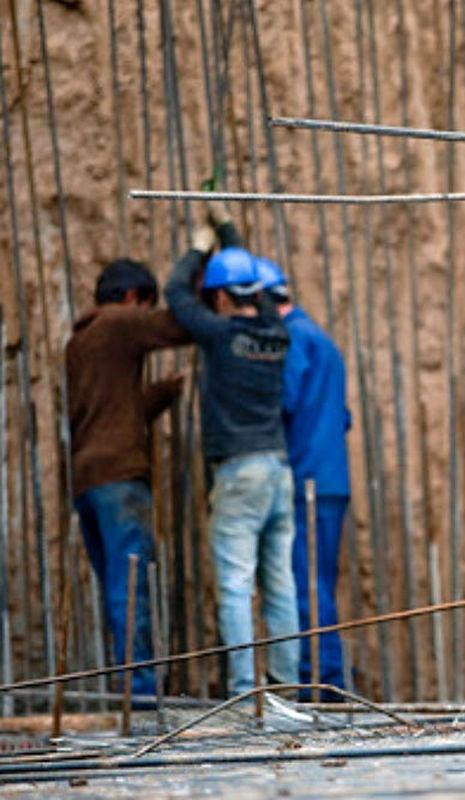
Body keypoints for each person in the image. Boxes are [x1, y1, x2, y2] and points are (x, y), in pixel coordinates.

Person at [165, 201, 299, 697]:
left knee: (236, 585)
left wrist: (201, 245)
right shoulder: (276, 332)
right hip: (278, 469)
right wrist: (228, 230)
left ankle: (246, 690)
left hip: (240, 472)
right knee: (280, 584)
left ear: (220, 296)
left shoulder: (221, 336)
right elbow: (253, 288)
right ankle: (284, 685)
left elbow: (176, 294)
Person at [67, 259, 190, 702]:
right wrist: (191, 276)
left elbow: (112, 411)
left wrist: (161, 394)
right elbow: (179, 327)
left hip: (86, 479)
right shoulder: (119, 323)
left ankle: (131, 688)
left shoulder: (80, 339)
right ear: (133, 298)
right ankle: (138, 694)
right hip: (119, 478)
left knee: (116, 586)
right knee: (131, 587)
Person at [255, 257, 351, 696]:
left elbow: (284, 400)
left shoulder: (291, 338)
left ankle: (323, 684)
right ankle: (324, 680)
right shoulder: (321, 339)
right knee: (319, 581)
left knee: (306, 585)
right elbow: (341, 416)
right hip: (331, 478)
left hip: (306, 479)